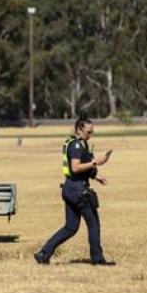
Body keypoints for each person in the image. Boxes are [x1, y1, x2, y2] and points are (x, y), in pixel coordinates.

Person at [34, 114, 116, 266]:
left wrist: (96, 176)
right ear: (79, 130)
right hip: (77, 190)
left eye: (92, 132)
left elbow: (79, 169)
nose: (91, 135)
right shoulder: (77, 145)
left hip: (71, 188)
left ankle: (43, 253)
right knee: (93, 223)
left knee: (71, 227)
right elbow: (76, 167)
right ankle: (98, 259)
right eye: (88, 132)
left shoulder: (79, 143)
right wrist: (94, 162)